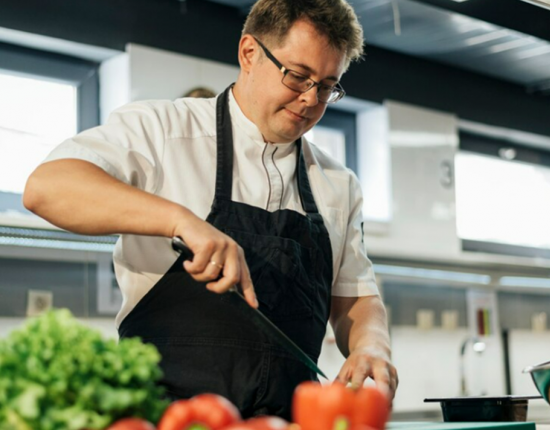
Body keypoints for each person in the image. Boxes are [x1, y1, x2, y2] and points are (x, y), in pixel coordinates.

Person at [23, 0, 397, 418]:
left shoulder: (339, 183)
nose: (310, 99)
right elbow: (47, 187)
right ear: (249, 53)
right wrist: (180, 221)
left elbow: (355, 299)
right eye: (297, 76)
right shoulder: (161, 130)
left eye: (328, 86)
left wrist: (371, 346)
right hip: (168, 422)